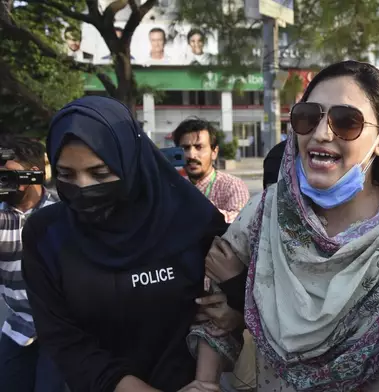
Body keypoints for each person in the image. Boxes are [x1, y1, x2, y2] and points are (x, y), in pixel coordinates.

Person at [186, 60, 379, 391]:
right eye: (308, 117)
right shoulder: (266, 212)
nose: (320, 134)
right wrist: (205, 381)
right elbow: (212, 310)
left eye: (346, 122)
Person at [22, 96, 228, 392]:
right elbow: (63, 339)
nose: (83, 188)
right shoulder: (46, 234)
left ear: (131, 162)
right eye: (67, 174)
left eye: (100, 173)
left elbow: (225, 308)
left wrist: (232, 315)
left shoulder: (191, 222)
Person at [0, 136, 62, 392]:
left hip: (61, 331)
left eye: (7, 174)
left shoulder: (64, 213)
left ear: (33, 173)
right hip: (17, 329)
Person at [173, 118, 249, 223]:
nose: (191, 155)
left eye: (198, 147)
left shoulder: (232, 186)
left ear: (214, 152)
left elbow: (241, 220)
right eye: (185, 148)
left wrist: (207, 210)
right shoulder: (173, 187)